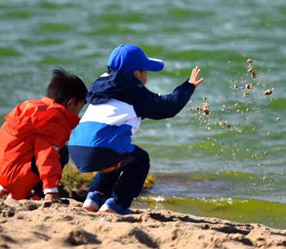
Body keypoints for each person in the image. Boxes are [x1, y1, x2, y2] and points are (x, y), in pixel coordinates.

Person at [68, 44, 203, 215]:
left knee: (117, 157)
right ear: (136, 74)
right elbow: (169, 108)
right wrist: (188, 86)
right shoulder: (134, 91)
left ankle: (94, 198)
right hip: (102, 148)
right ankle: (117, 204)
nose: (147, 76)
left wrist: (149, 104)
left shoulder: (101, 85)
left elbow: (121, 111)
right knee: (139, 160)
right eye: (145, 72)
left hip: (77, 147)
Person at [0, 68, 87, 201]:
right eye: (80, 108)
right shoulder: (54, 121)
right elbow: (47, 156)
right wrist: (51, 191)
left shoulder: (29, 108)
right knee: (61, 152)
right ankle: (38, 194)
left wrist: (5, 183)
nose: (79, 114)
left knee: (24, 146)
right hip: (18, 178)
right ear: (71, 103)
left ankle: (6, 188)